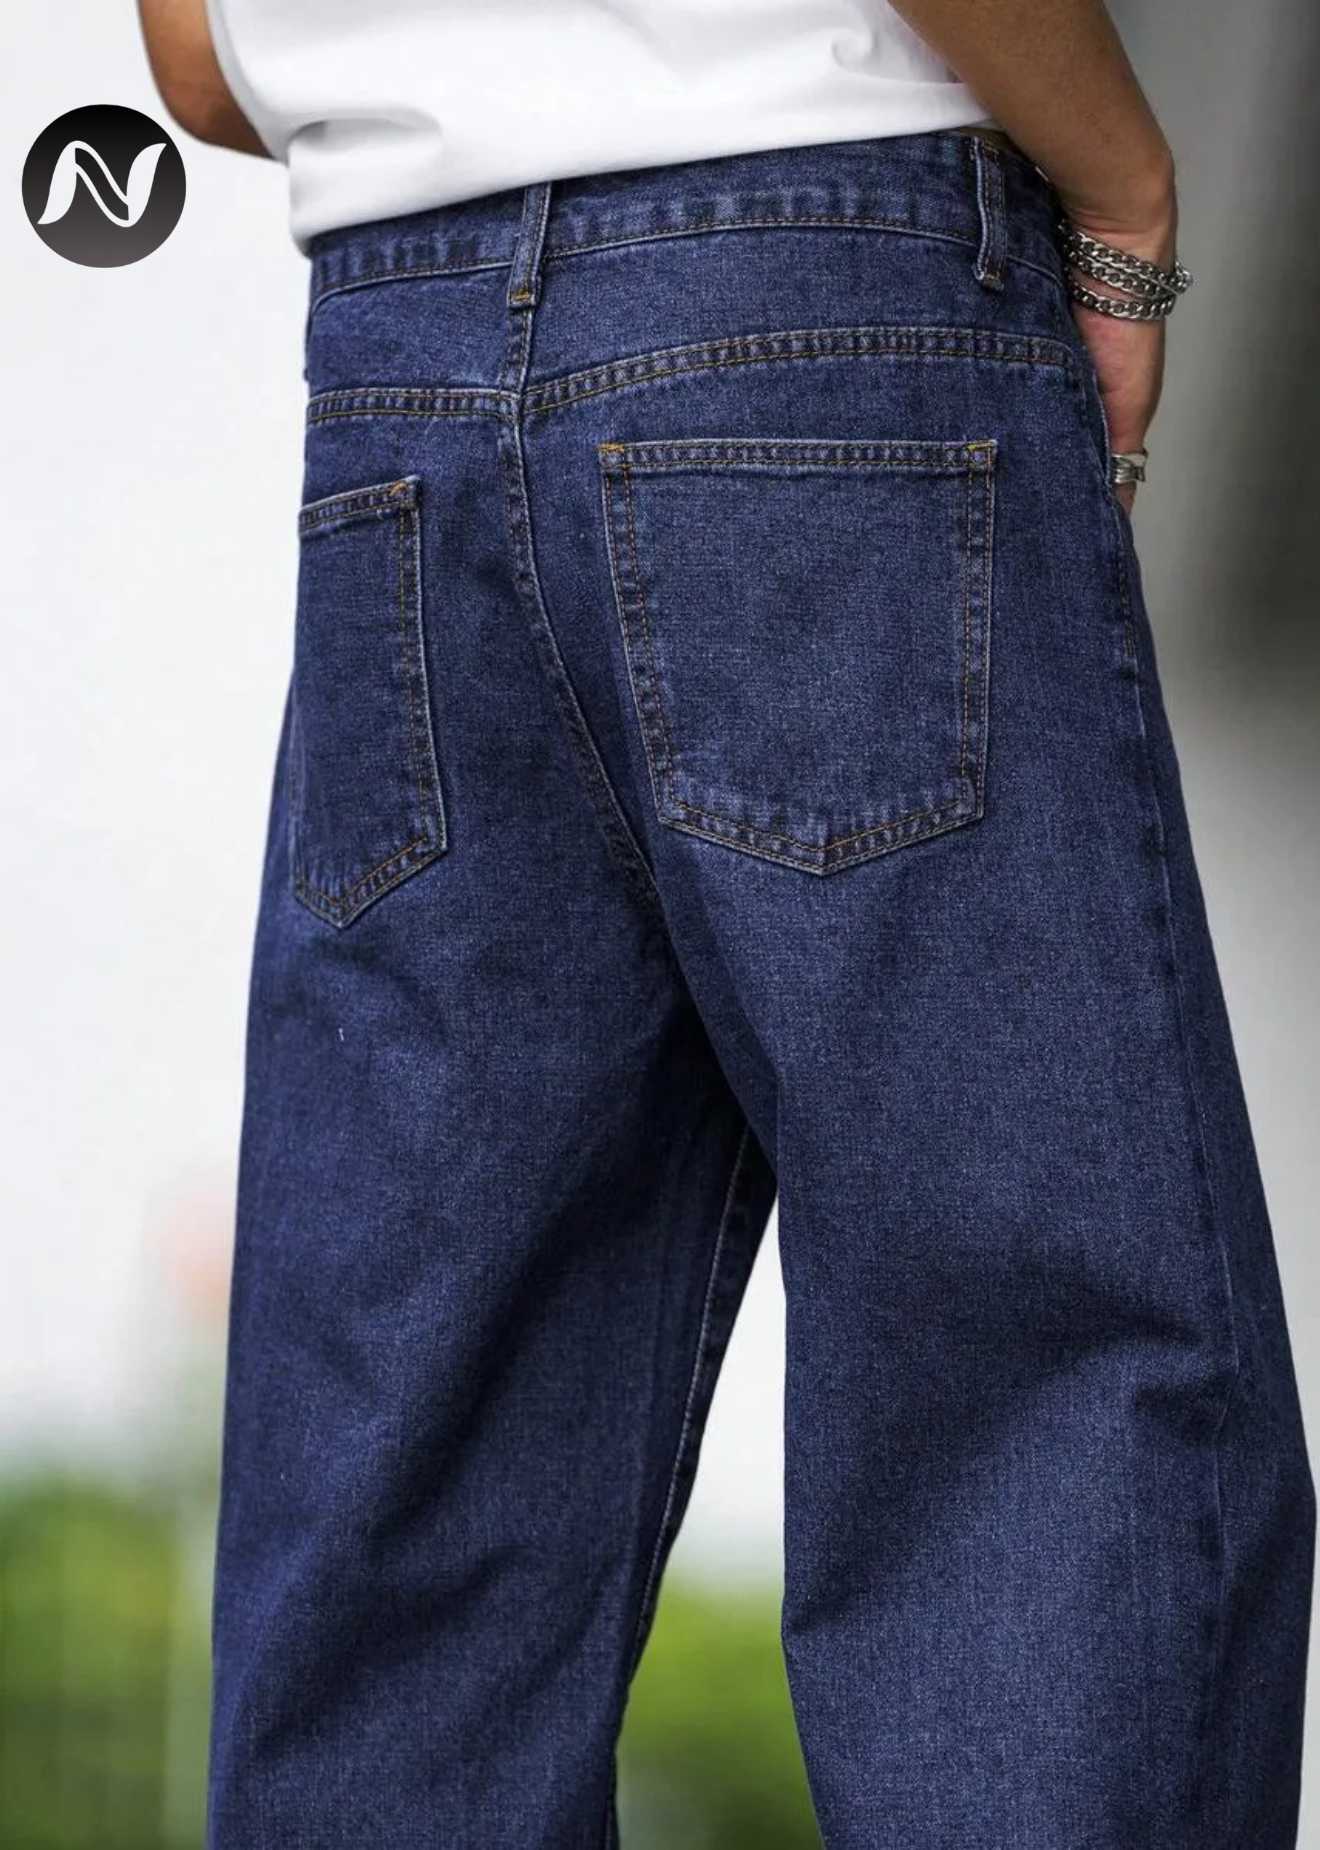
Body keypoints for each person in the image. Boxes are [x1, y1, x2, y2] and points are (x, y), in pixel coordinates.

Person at [138, 3, 1315, 1846]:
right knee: (1040, 1421)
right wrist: (1126, 194)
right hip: (828, 297)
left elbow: (197, 62)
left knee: (411, 1501)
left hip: (400, 375)